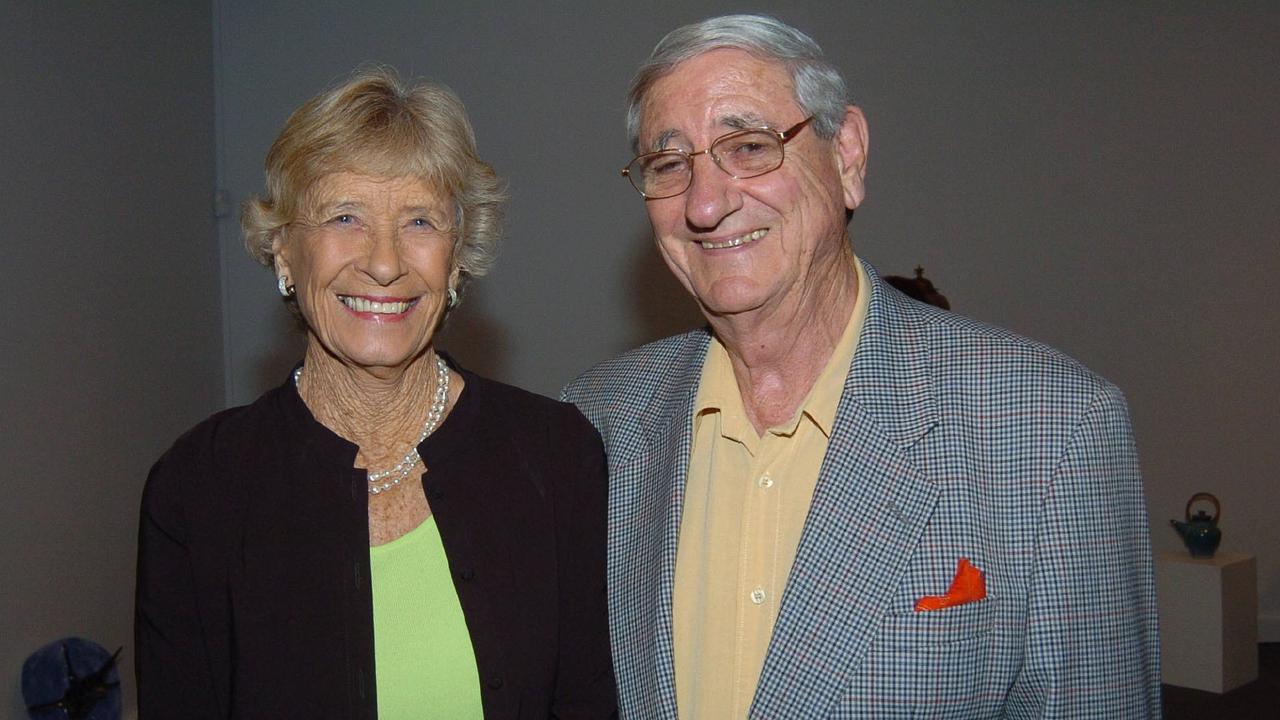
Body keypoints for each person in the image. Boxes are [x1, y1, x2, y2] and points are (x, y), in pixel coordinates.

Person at [562, 14, 1159, 719]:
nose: (706, 202)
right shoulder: (592, 423)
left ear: (846, 155)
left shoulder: (1051, 429)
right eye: (669, 165)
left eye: (748, 147)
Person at [136, 68, 616, 719]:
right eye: (345, 217)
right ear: (283, 251)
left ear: (457, 258)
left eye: (420, 221)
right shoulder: (198, 488)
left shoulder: (558, 458)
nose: (385, 262)